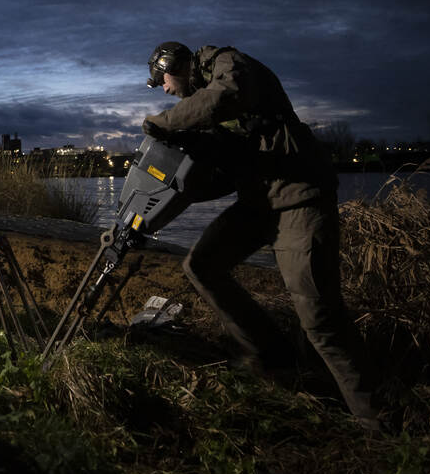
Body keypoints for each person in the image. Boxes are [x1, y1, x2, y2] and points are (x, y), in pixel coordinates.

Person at [142, 41, 383, 432]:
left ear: (172, 65)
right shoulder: (209, 110)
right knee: (202, 264)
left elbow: (225, 97)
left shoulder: (227, 65)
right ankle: (271, 356)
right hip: (259, 202)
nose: (164, 89)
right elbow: (215, 177)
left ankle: (375, 420)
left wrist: (165, 121)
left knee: (320, 317)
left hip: (298, 198)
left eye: (162, 80)